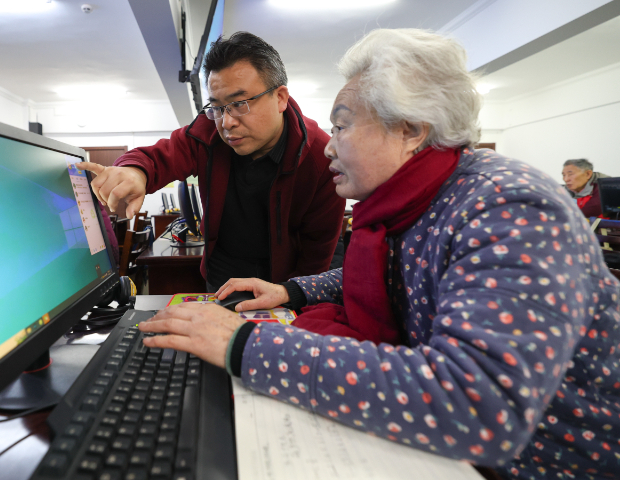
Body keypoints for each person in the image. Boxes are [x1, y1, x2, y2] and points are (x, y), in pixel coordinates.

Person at [138, 29, 620, 479]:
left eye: (342, 127)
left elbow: (478, 406)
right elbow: (398, 276)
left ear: (410, 129)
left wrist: (243, 345)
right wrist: (290, 289)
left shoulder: (509, 208)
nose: (328, 148)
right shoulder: (420, 201)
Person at [79, 32, 345, 291]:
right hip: (221, 277)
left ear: (280, 98)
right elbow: (161, 155)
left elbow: (318, 254)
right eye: (217, 106)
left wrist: (291, 296)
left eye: (240, 103)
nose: (226, 122)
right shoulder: (209, 131)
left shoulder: (321, 157)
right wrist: (136, 172)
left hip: (282, 284)